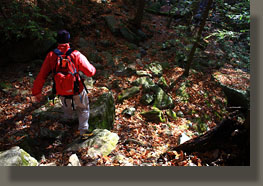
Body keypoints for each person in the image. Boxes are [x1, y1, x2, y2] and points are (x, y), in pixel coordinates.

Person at [32, 30, 96, 137]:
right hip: (77, 89)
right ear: (68, 40)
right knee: (83, 108)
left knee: (66, 105)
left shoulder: (51, 55)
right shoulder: (76, 54)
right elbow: (90, 72)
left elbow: (41, 75)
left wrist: (36, 92)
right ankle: (83, 130)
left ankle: (68, 120)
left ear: (57, 41)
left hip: (61, 90)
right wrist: (93, 67)